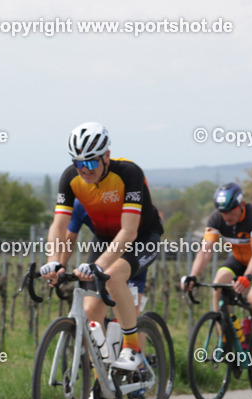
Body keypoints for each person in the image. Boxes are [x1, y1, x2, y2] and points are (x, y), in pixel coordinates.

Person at [41, 122, 164, 372]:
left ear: (106, 156)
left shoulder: (129, 173)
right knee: (90, 312)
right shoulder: (70, 177)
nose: (83, 170)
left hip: (141, 238)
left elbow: (129, 232)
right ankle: (100, 380)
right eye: (78, 163)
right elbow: (59, 227)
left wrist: (98, 265)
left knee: (113, 276)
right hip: (105, 240)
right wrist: (54, 260)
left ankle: (132, 349)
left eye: (90, 162)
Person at [181, 182, 252, 374]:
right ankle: (227, 340)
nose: (226, 217)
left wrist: (248, 277)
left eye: (230, 211)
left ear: (241, 204)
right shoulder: (217, 219)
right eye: (222, 212)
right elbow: (205, 251)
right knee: (218, 282)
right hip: (239, 259)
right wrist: (193, 275)